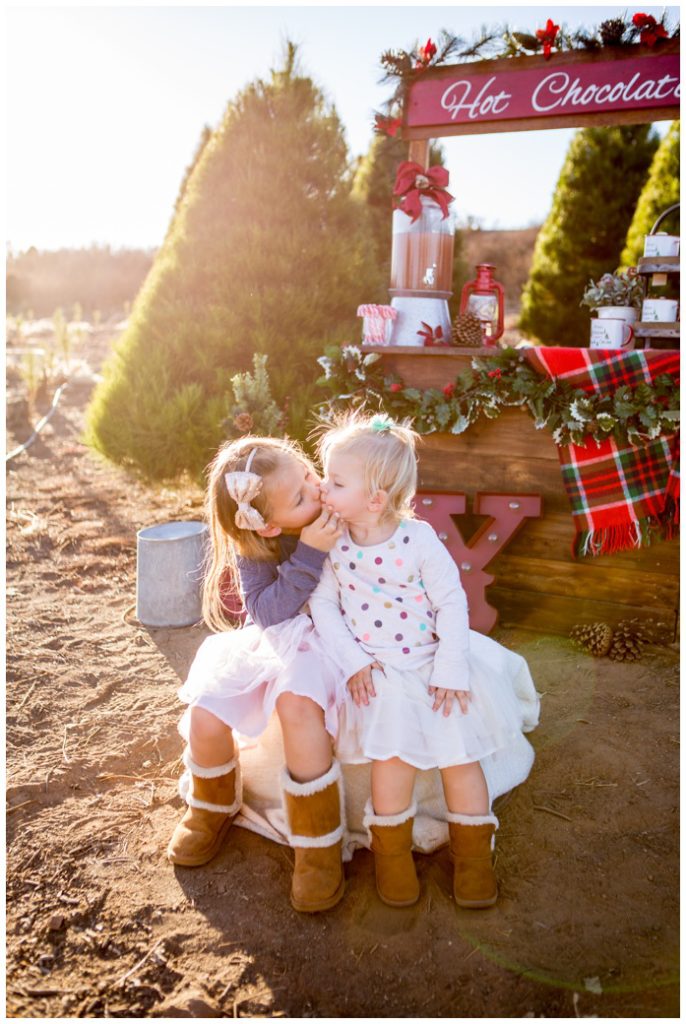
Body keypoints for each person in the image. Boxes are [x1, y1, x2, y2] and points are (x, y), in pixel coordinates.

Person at [309, 412, 539, 910]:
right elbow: (323, 605)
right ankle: (392, 857)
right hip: (380, 670)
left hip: (433, 663)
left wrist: (452, 667)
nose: (323, 488)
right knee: (391, 762)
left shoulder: (418, 540)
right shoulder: (334, 544)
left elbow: (451, 602)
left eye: (336, 481)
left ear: (374, 498)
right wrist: (352, 661)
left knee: (460, 755)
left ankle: (474, 857)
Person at [168, 436, 350, 914]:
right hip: (271, 641)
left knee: (298, 706)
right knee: (207, 709)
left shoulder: (340, 512)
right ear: (268, 526)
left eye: (311, 476)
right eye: (301, 496)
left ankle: (317, 844)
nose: (317, 488)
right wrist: (308, 552)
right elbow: (267, 613)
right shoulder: (256, 546)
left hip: (330, 642)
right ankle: (211, 806)